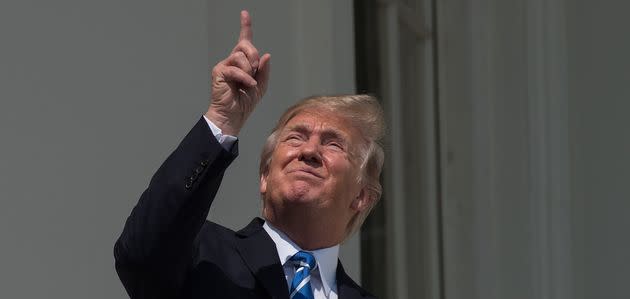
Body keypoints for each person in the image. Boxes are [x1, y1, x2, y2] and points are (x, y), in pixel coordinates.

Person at [114, 10, 384, 299]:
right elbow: (140, 254)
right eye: (295, 137)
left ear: (361, 196)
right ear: (265, 176)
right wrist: (222, 118)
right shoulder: (202, 255)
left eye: (333, 144)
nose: (308, 151)